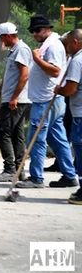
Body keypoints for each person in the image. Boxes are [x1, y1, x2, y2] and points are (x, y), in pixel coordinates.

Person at [16, 15, 79, 188]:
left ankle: (36, 178)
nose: (34, 34)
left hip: (46, 101)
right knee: (59, 140)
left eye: (38, 30)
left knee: (36, 140)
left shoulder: (53, 46)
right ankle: (69, 174)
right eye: (32, 31)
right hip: (51, 101)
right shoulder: (49, 44)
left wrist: (36, 59)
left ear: (47, 29)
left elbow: (55, 71)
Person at [0, 22, 32, 182]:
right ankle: (19, 169)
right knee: (17, 134)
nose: (1, 41)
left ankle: (10, 169)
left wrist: (14, 97)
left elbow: (24, 75)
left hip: (16, 100)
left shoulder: (21, 49)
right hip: (14, 98)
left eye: (2, 37)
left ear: (8, 35)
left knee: (3, 131)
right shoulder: (14, 50)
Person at [54, 29, 82, 204]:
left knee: (80, 150)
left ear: (77, 42)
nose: (66, 47)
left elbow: (71, 89)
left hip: (80, 112)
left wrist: (59, 90)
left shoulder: (77, 61)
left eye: (68, 43)